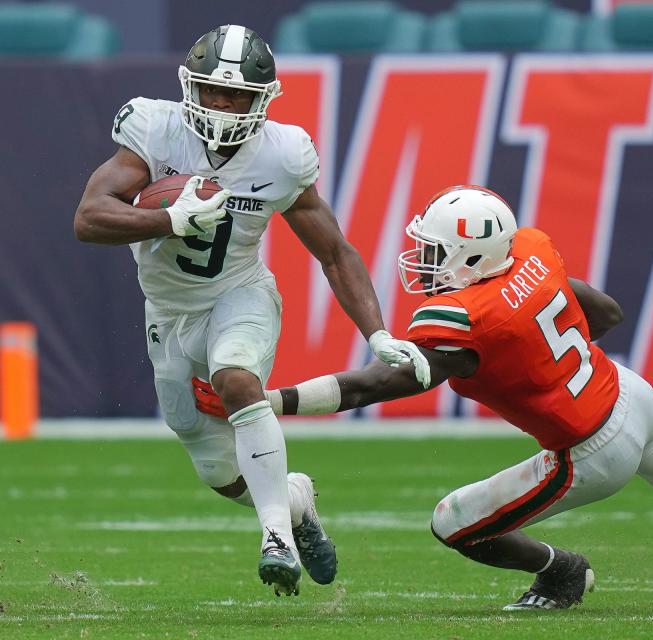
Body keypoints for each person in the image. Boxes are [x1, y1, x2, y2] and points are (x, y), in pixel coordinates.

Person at [194, 185, 653, 610]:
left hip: (589, 446)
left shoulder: (466, 319)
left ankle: (562, 575)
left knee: (452, 522)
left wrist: (270, 400)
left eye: (434, 252)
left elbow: (380, 383)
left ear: (469, 255)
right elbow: (603, 310)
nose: (424, 263)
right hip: (628, 396)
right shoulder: (527, 252)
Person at [73, 25, 429, 597]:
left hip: (240, 294)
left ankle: (276, 540)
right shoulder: (155, 130)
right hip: (167, 312)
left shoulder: (282, 155)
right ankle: (293, 503)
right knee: (215, 468)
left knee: (236, 379)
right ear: (190, 87)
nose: (223, 104)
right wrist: (170, 218)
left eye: (237, 94)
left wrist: (377, 332)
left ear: (264, 98)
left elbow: (335, 251)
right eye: (213, 90)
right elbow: (89, 218)